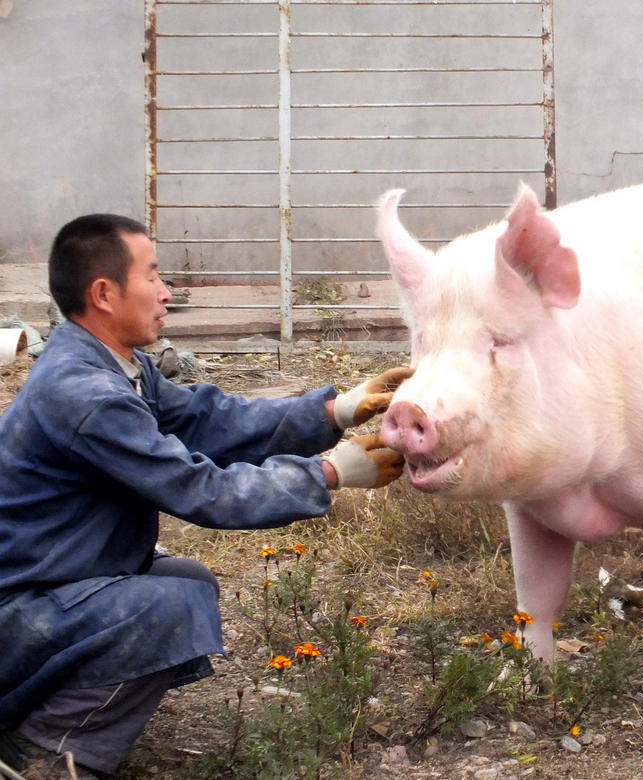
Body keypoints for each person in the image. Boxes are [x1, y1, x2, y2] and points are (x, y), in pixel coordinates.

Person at [0, 213, 411, 778]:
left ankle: (71, 714)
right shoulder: (88, 396)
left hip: (53, 580)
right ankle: (40, 755)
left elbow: (206, 418)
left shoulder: (112, 366)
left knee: (188, 582)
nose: (167, 292)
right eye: (153, 276)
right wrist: (330, 472)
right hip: (17, 612)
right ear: (104, 293)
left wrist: (330, 409)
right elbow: (204, 492)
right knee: (166, 609)